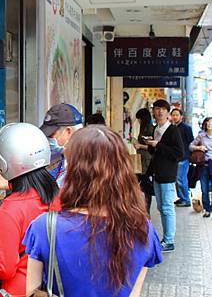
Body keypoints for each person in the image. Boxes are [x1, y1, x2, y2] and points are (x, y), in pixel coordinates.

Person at [24, 125, 162, 297]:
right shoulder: (143, 230)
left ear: (74, 172)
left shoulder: (45, 227)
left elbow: (31, 293)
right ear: (123, 171)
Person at [0, 123, 59, 297]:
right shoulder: (57, 195)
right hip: (52, 287)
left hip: (19, 290)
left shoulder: (11, 207)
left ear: (5, 162)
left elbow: (5, 269)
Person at [144, 99, 184, 253]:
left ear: (168, 112)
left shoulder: (173, 130)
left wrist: (158, 145)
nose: (159, 112)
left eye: (162, 109)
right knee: (161, 207)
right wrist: (151, 146)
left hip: (167, 174)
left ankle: (169, 240)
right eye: (157, 109)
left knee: (167, 207)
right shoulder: (156, 129)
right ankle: (166, 239)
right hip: (157, 174)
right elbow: (157, 154)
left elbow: (179, 153)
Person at [39, 103, 84, 186]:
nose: (48, 139)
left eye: (51, 134)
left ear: (68, 132)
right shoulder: (63, 160)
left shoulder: (86, 166)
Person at [132, 108, 155, 213]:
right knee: (142, 185)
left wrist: (139, 145)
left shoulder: (149, 128)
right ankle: (144, 210)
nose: (138, 121)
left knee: (145, 185)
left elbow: (151, 146)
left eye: (139, 119)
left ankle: (146, 210)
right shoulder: (144, 127)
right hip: (142, 160)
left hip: (146, 160)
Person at [170, 108, 194, 207]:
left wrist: (189, 155)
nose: (175, 117)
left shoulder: (186, 128)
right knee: (177, 179)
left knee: (181, 179)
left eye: (177, 115)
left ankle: (186, 199)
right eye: (173, 115)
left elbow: (191, 142)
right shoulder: (172, 128)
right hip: (176, 157)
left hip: (184, 158)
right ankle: (181, 197)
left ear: (181, 116)